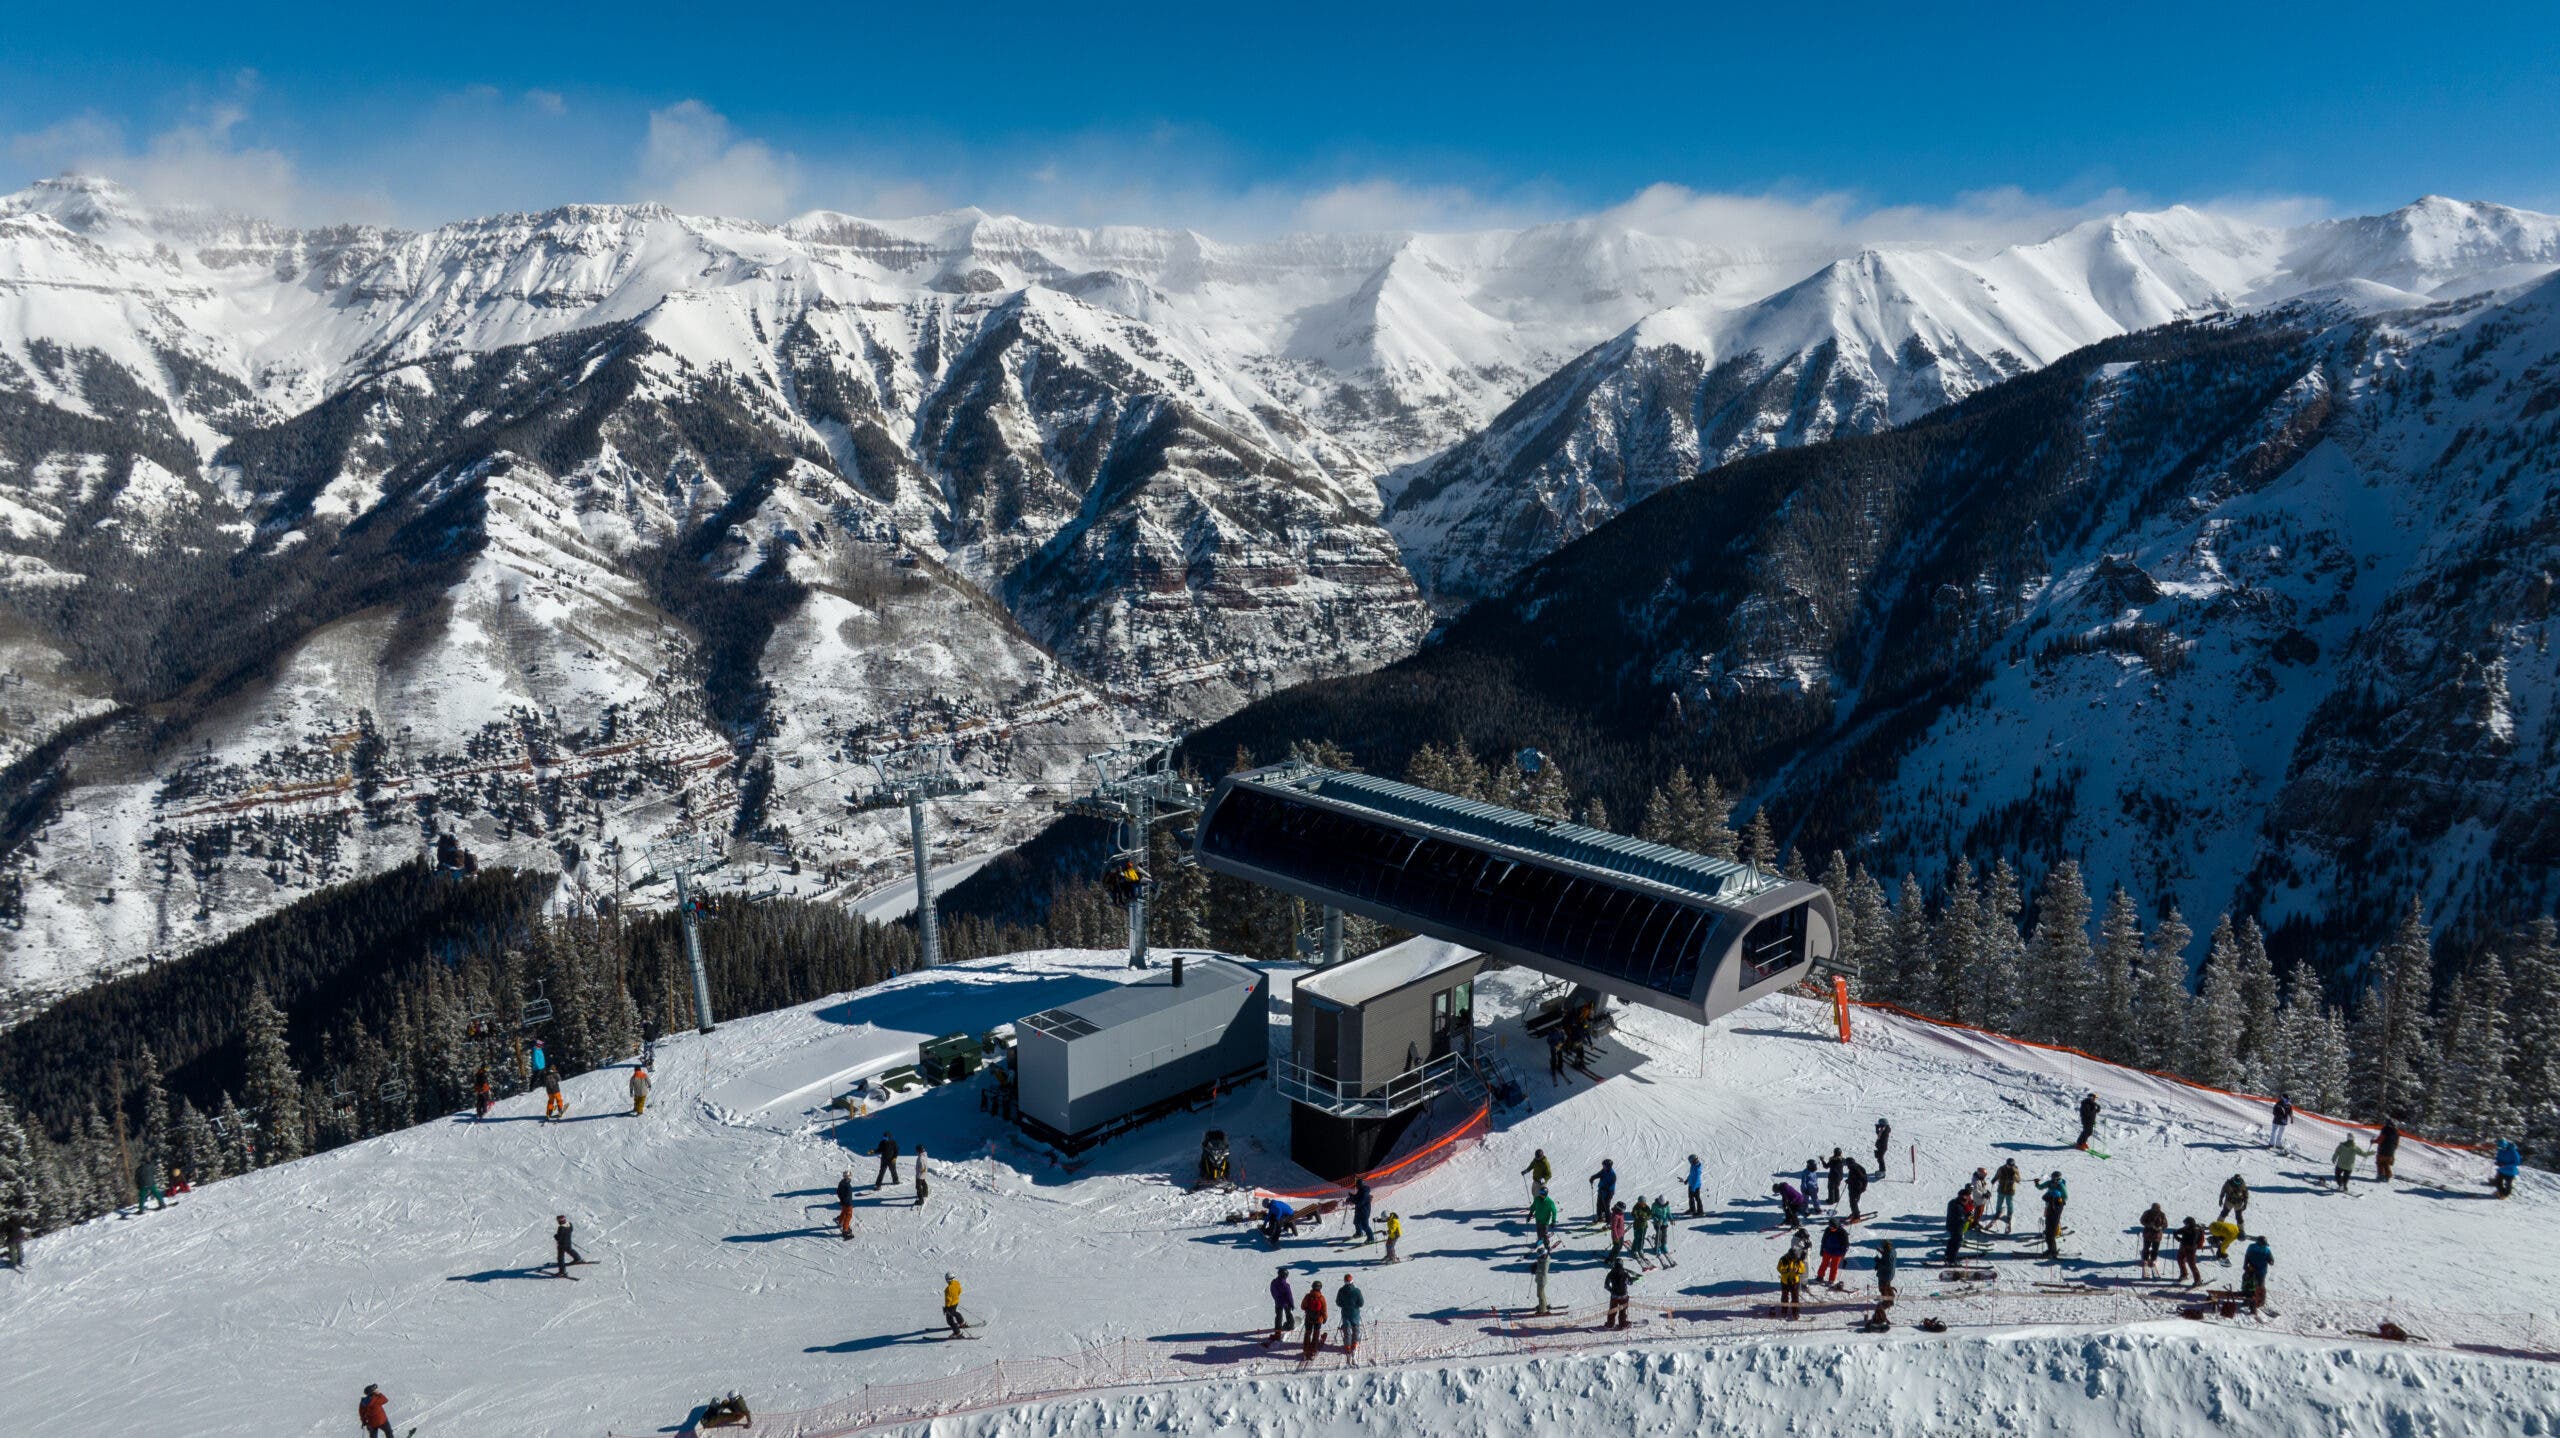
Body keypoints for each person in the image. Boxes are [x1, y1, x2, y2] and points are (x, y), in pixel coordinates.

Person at [2036, 1172, 2067, 1260]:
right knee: (2049, 1236)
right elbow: (2044, 1196)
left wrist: (2055, 1200)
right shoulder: (2053, 1202)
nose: (2053, 1180)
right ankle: (2052, 1251)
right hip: (2051, 1215)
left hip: (2053, 1219)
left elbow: (2065, 1197)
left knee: (2050, 1236)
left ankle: (2052, 1252)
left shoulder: (2056, 1200)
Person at [2240, 1236, 2273, 1313]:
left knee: (2259, 1286)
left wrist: (2270, 1260)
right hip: (2251, 1269)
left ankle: (2259, 1301)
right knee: (2247, 1284)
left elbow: (2271, 1260)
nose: (2263, 1246)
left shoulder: (2267, 1250)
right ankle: (2246, 1300)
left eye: (2264, 1244)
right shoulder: (2252, 1247)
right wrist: (2245, 1264)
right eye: (2262, 1244)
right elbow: (2247, 1256)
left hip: (2261, 1271)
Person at [1299, 1278, 1328, 1360]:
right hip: (1318, 1319)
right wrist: (1325, 1318)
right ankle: (1313, 1351)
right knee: (1316, 1334)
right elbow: (1324, 1310)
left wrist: (1307, 1309)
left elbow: (1302, 1306)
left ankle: (1305, 1350)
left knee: (1307, 1333)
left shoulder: (1308, 1296)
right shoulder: (1321, 1298)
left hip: (1308, 1318)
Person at [1775, 1245, 1805, 1321]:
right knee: (1784, 1296)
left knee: (1795, 1297)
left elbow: (1802, 1270)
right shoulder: (1783, 1259)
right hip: (1785, 1281)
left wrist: (1797, 1270)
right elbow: (1779, 1268)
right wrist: (1786, 1270)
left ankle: (1795, 1312)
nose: (1793, 1259)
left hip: (1795, 1281)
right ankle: (1784, 1309)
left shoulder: (1798, 1260)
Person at [2173, 1216, 2205, 1286]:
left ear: (2189, 1223)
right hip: (2185, 1248)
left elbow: (2190, 1241)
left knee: (2191, 1264)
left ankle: (2198, 1280)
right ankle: (2184, 1274)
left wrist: (2177, 1238)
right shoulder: (2192, 1227)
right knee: (2180, 1260)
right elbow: (2180, 1230)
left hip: (2190, 1249)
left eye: (2186, 1223)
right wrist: (2176, 1232)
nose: (2185, 1225)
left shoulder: (2194, 1230)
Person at [1817, 1218, 1850, 1287]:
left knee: (1834, 1266)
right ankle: (1820, 1276)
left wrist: (1843, 1254)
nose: (1831, 1229)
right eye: (1830, 1227)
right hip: (1827, 1250)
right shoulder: (1828, 1230)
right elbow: (1824, 1240)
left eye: (1833, 1227)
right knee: (1824, 1264)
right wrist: (1822, 1249)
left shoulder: (1842, 1232)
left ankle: (1831, 1280)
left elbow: (1846, 1245)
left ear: (1837, 1226)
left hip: (1837, 1253)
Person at [1337, 1274, 1364, 1356]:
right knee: (1355, 1327)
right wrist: (1355, 1306)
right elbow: (1361, 1303)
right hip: (1355, 1313)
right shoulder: (1357, 1291)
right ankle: (1354, 1344)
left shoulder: (1341, 1290)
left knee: (1346, 1329)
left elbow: (1338, 1302)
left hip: (1345, 1312)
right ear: (1352, 1281)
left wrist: (1344, 1305)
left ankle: (1347, 1346)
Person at [2139, 1203, 2167, 1279]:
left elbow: (2165, 1224)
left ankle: (2153, 1259)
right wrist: (2149, 1225)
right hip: (2148, 1234)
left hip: (2157, 1235)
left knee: (2155, 1248)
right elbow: (2142, 1220)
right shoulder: (2147, 1212)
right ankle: (2145, 1259)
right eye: (2155, 1208)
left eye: (2157, 1208)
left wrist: (2160, 1227)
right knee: (2146, 1247)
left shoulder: (2162, 1214)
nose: (2156, 1209)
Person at [1604, 1258, 1635, 1329]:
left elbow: (1606, 1285)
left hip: (1614, 1296)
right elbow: (1630, 1282)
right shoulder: (1625, 1273)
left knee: (1612, 1310)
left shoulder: (1611, 1273)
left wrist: (1612, 1291)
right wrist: (1630, 1279)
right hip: (1624, 1296)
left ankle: (1610, 1324)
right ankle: (1623, 1324)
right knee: (1623, 1311)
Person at [1992, 1158, 2021, 1232]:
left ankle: (2009, 1214)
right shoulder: (2001, 1168)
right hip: (2001, 1188)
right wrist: (1994, 1179)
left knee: (2009, 1203)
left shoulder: (2015, 1170)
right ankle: (1998, 1212)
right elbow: (1997, 1175)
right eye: (2008, 1165)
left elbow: (2018, 1180)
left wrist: (2014, 1175)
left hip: (2010, 1190)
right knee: (1999, 1202)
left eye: (2011, 1165)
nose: (2009, 1166)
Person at [1269, 1266, 1296, 1342]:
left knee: (1278, 1316)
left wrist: (1276, 1298)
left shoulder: (1273, 1282)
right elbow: (1289, 1295)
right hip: (1285, 1302)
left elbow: (1272, 1291)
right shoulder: (1285, 1285)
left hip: (1278, 1302)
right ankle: (1290, 1324)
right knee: (1288, 1313)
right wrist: (1292, 1304)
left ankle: (1278, 1330)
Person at [1530, 1185, 1559, 1250]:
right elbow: (1533, 1206)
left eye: (1542, 1193)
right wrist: (1530, 1213)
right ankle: (1540, 1240)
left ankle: (1547, 1245)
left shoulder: (1549, 1202)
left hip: (1545, 1221)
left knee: (1544, 1235)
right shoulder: (1537, 1199)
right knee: (1538, 1232)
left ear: (1546, 1194)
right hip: (1538, 1219)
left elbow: (1554, 1211)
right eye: (1540, 1192)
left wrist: (1553, 1221)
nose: (1541, 1194)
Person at [1590, 1158, 1617, 1225]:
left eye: (1604, 1166)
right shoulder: (1604, 1170)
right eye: (1603, 1166)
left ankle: (1609, 1221)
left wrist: (1604, 1188)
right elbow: (1599, 1174)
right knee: (1599, 1204)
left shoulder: (1612, 1175)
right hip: (1601, 1190)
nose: (1603, 1167)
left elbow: (1611, 1185)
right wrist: (1592, 1177)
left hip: (1608, 1192)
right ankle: (1600, 1217)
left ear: (1608, 1166)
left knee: (1606, 1206)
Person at [1349, 1177, 1375, 1245]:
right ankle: (1359, 1233)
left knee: (1365, 1226)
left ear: (1360, 1185)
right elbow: (1357, 1197)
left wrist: (1352, 1200)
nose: (1356, 1187)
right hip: (1359, 1210)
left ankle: (1371, 1239)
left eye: (1357, 1186)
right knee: (1356, 1222)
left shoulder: (1365, 1192)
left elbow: (1360, 1202)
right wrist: (1352, 1196)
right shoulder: (1361, 1190)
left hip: (1364, 1211)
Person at [1649, 1195, 1673, 1266]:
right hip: (1658, 1224)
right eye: (1661, 1204)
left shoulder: (1667, 1205)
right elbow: (1652, 1214)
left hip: (1664, 1223)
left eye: (1664, 1204)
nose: (1663, 1205)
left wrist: (1671, 1219)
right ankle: (1657, 1246)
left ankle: (1663, 1245)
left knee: (1664, 1235)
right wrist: (1657, 1220)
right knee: (1659, 1234)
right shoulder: (1654, 1205)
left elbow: (1668, 1213)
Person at [943, 1272, 968, 1337]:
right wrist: (955, 1298)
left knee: (950, 1320)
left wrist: (946, 1307)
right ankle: (962, 1323)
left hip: (950, 1305)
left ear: (947, 1279)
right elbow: (960, 1291)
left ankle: (957, 1333)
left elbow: (948, 1299)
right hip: (956, 1302)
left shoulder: (948, 1289)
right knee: (954, 1313)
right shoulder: (957, 1283)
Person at [1531, 1244, 1553, 1315]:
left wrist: (1536, 1269)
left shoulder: (1545, 1262)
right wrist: (1536, 1265)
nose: (1539, 1257)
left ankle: (1543, 1310)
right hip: (1540, 1279)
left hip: (1542, 1279)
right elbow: (1540, 1263)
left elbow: (1543, 1271)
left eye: (1540, 1255)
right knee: (1540, 1293)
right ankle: (1543, 1305)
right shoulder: (1543, 1259)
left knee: (1540, 1294)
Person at [1628, 1192, 1651, 1257]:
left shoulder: (1647, 1207)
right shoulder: (1636, 1207)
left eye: (1644, 1203)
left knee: (1642, 1238)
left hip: (1644, 1226)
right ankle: (1634, 1250)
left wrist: (1646, 1218)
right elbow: (1633, 1214)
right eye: (1642, 1203)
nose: (1643, 1204)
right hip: (1637, 1226)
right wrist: (1638, 1218)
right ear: (1639, 1202)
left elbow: (1650, 1214)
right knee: (1637, 1238)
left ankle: (1640, 1249)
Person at [835, 1169, 855, 1239]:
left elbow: (838, 1191)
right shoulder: (848, 1186)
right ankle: (845, 1230)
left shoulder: (841, 1183)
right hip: (848, 1204)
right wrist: (847, 1203)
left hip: (843, 1202)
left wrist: (842, 1200)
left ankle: (840, 1220)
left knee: (843, 1212)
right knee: (848, 1216)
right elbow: (848, 1196)